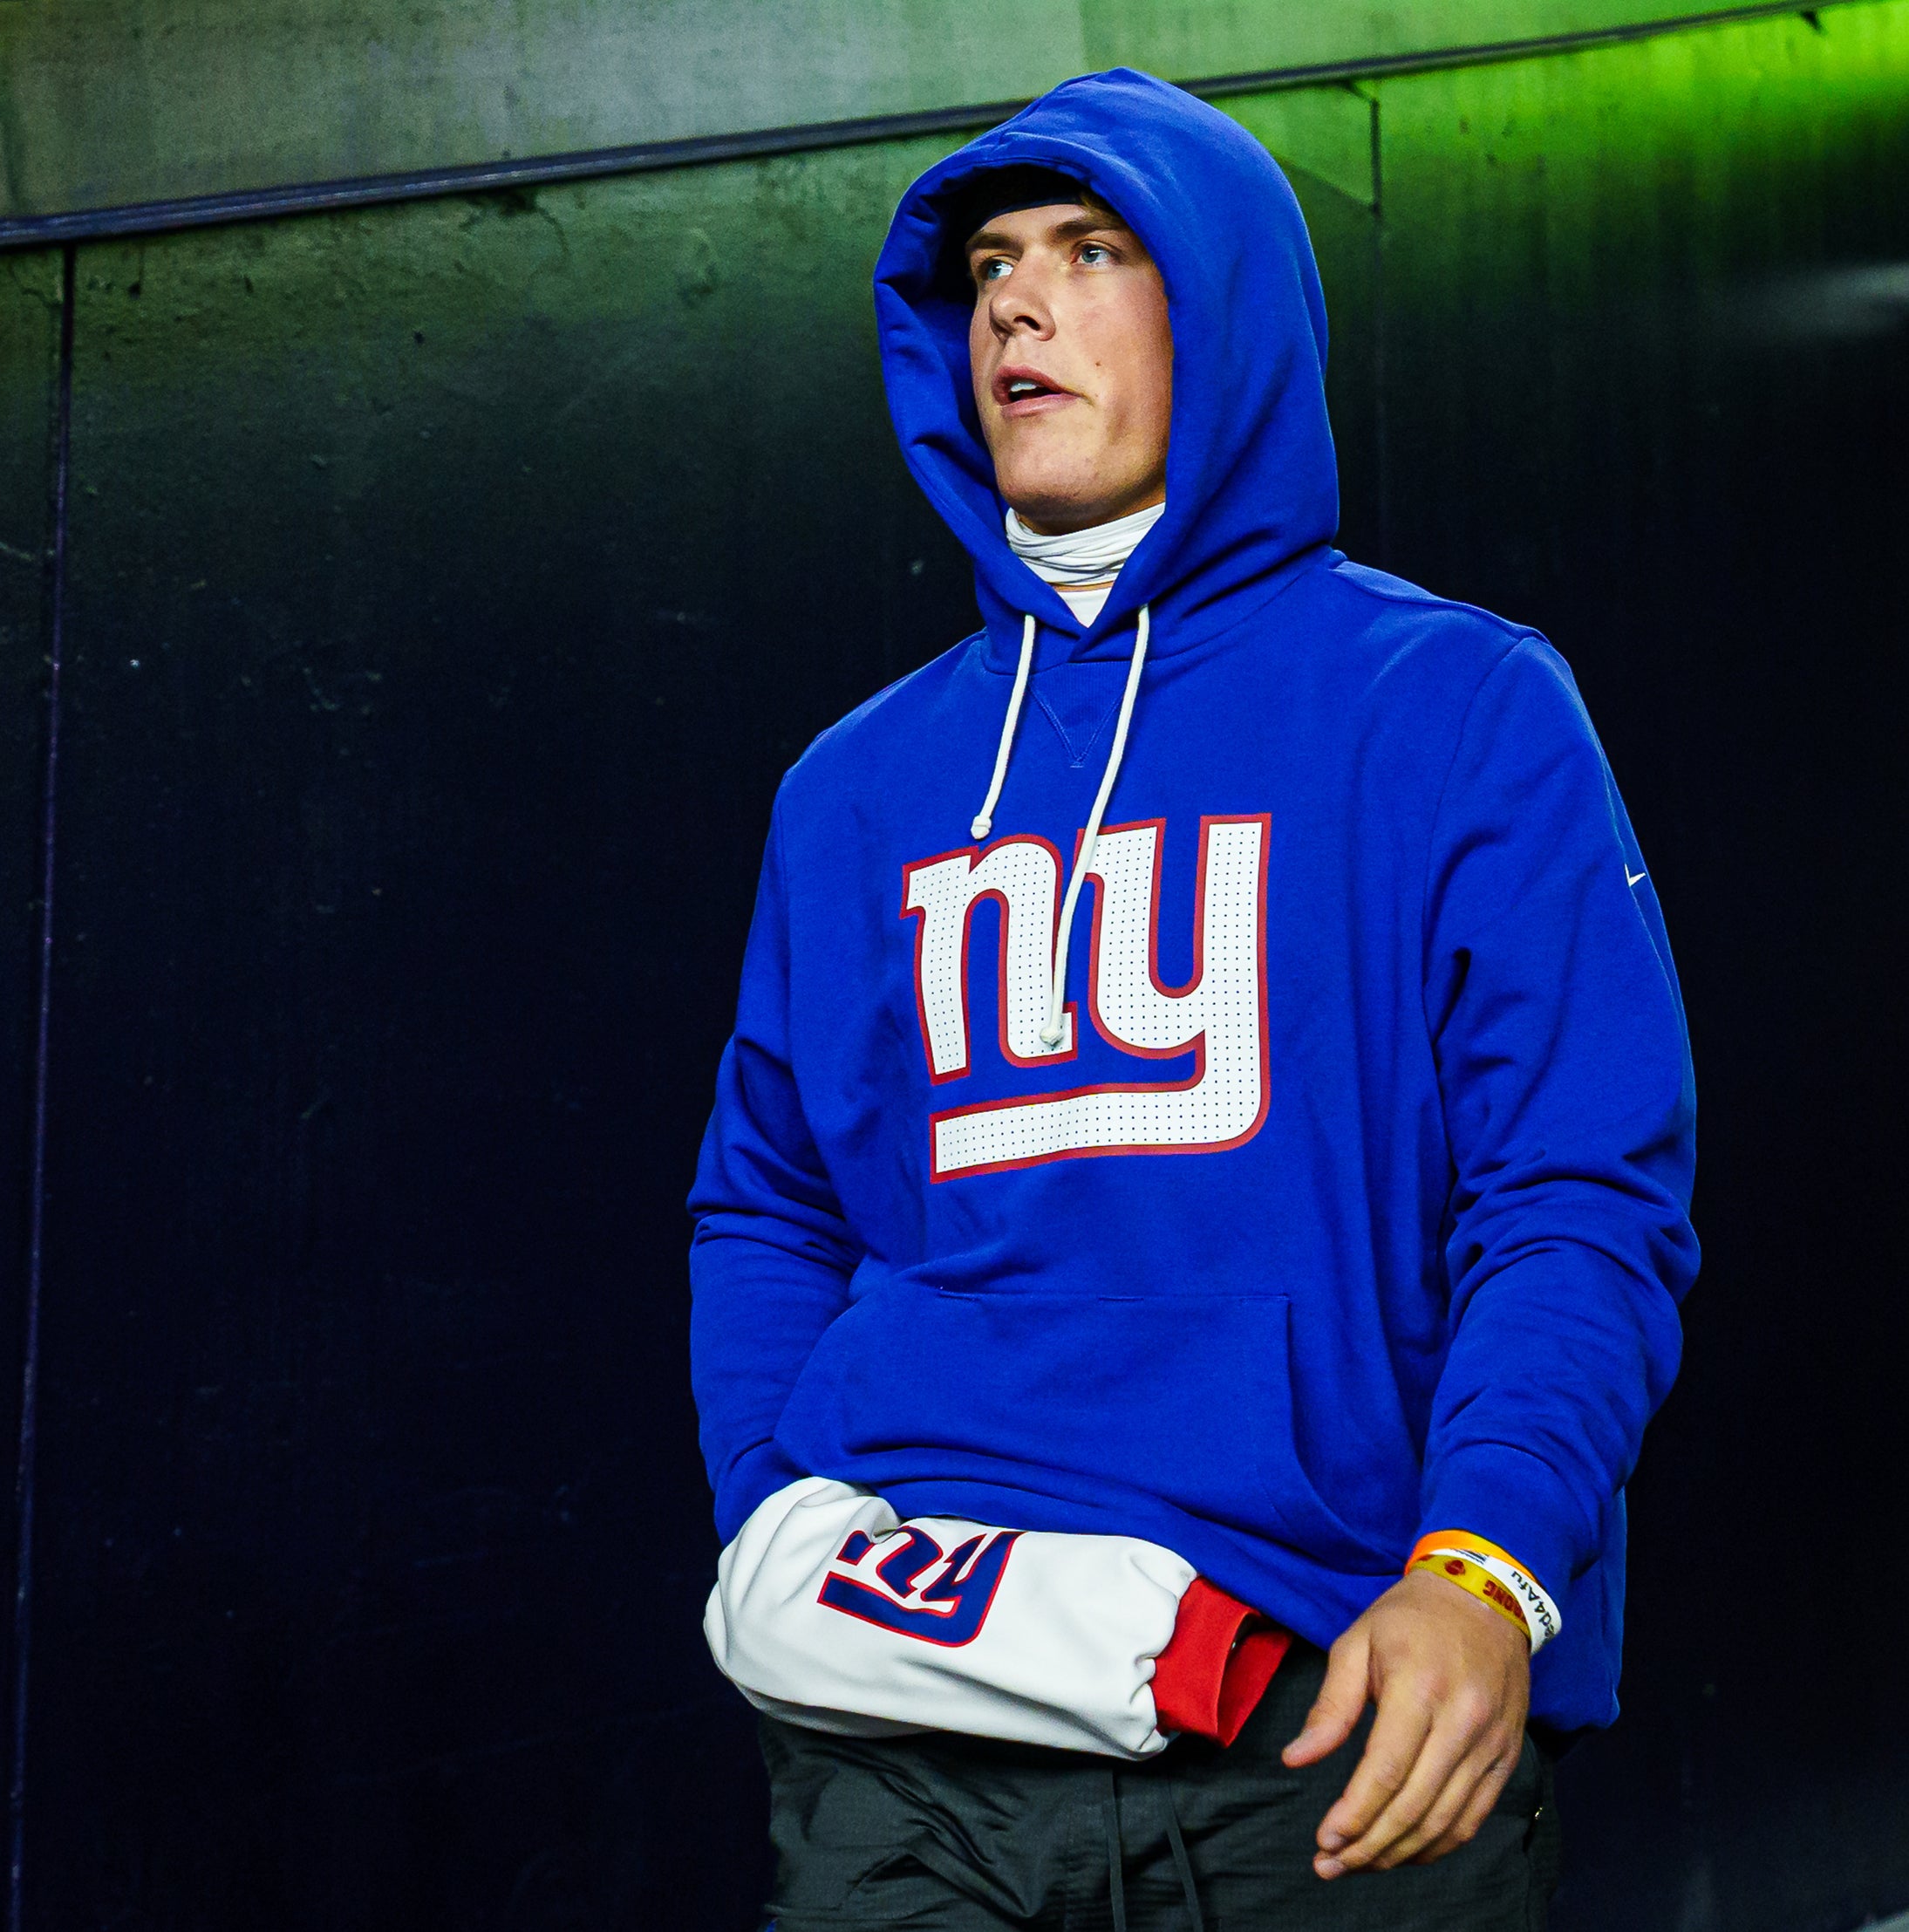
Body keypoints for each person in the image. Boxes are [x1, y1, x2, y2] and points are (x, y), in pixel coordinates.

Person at [687, 68, 1696, 1929]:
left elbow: (1577, 1197)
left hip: (1330, 1713)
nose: (1013, 303)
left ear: (1222, 310)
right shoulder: (853, 788)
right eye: (987, 264)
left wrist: (1486, 1569)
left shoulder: (1454, 709)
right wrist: (772, 1515)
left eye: (1088, 250)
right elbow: (767, 1201)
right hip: (905, 1733)